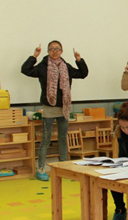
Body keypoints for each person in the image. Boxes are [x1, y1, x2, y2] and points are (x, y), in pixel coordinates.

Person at [21, 41, 88, 181]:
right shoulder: (43, 67)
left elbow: (83, 74)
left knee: (63, 139)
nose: (55, 51)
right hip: (49, 108)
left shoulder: (66, 66)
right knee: (46, 139)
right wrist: (34, 56)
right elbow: (25, 70)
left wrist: (79, 60)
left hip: (64, 108)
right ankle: (40, 169)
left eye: (57, 49)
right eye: (51, 49)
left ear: (62, 51)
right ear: (48, 51)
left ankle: (64, 168)